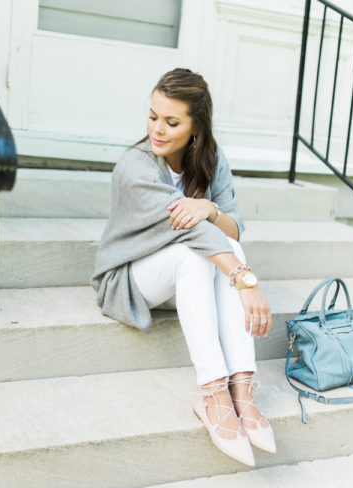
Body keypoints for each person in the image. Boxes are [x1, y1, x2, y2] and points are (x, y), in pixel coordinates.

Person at [92, 68, 276, 467]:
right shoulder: (134, 167)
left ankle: (241, 386)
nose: (157, 129)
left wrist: (209, 207)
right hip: (130, 279)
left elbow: (234, 228)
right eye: (153, 116)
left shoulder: (212, 159)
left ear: (196, 127)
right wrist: (245, 282)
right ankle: (211, 391)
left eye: (171, 122)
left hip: (187, 279)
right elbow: (191, 234)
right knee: (196, 250)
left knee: (218, 241)